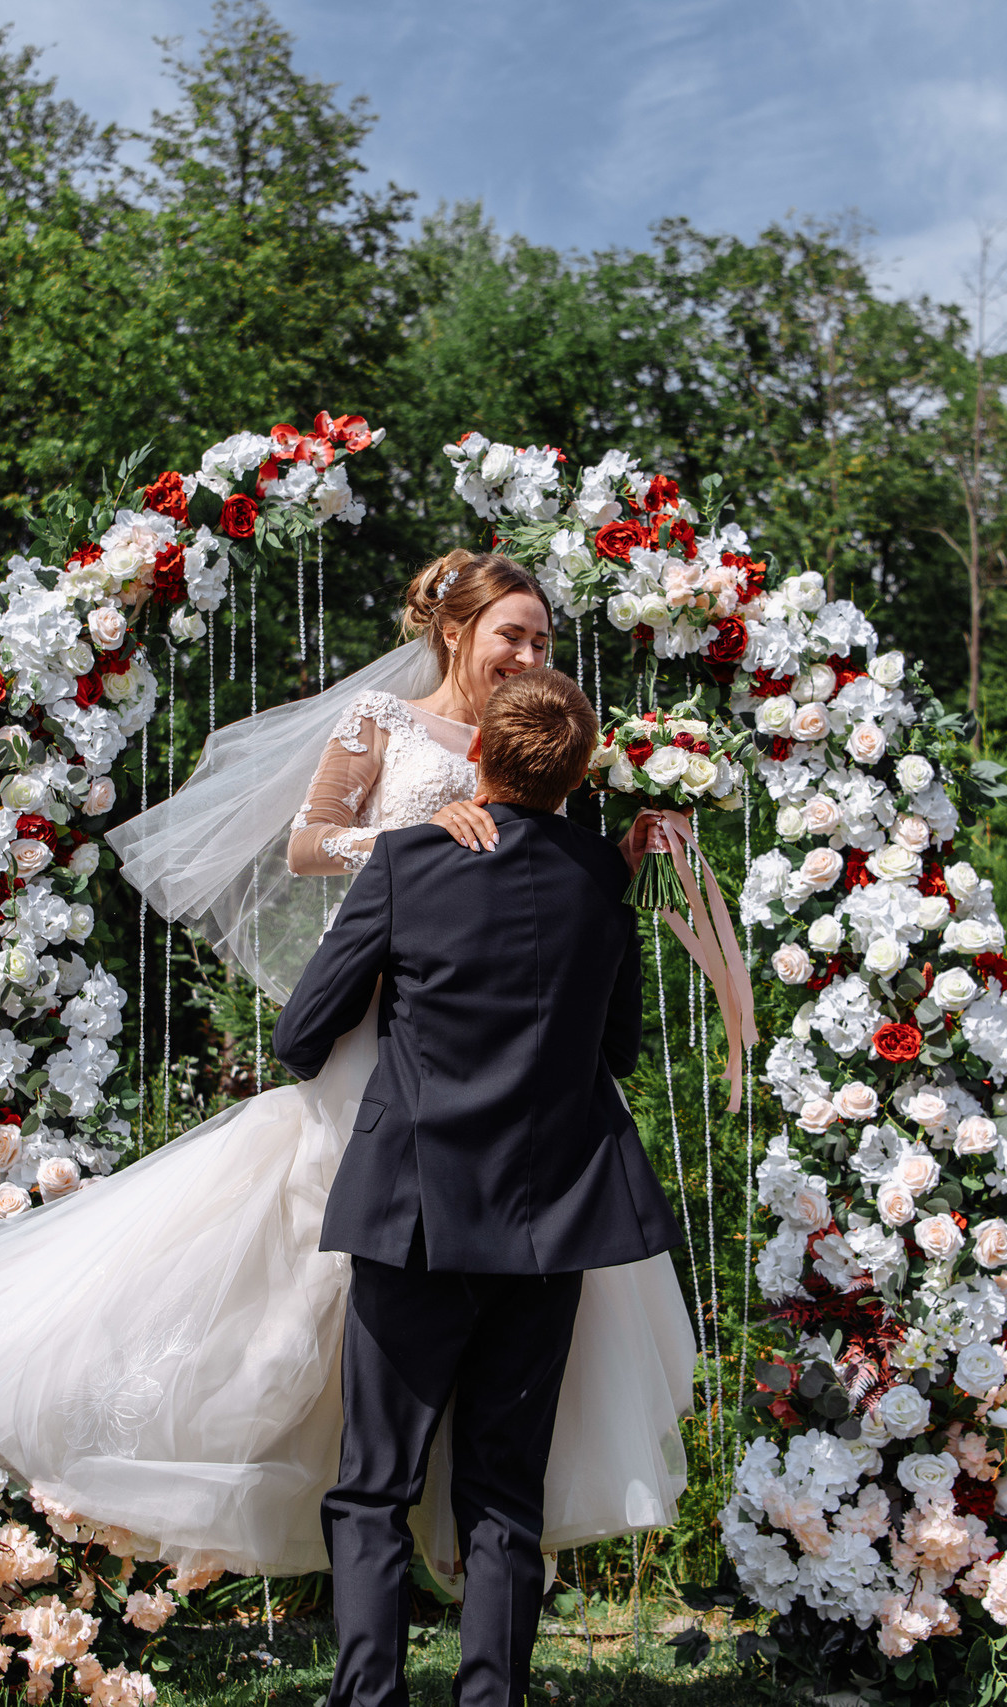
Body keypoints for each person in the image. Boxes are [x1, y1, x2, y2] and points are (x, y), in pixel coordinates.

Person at [0, 552, 696, 1584]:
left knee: (477, 1301)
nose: (529, 653)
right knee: (321, 1291)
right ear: (454, 631)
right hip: (387, 1042)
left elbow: (545, 911)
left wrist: (622, 860)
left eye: (544, 642)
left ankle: (450, 1547)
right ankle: (301, 1511)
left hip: (512, 1088)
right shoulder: (384, 720)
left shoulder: (542, 742)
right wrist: (415, 837)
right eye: (512, 633)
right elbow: (306, 843)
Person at [276, 666, 680, 1707]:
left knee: (376, 1482)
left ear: (476, 759)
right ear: (577, 773)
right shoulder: (602, 881)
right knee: (505, 1487)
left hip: (412, 1212)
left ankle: (368, 1696)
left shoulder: (409, 866)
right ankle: (490, 1696)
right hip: (548, 1223)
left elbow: (300, 1036)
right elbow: (621, 1050)